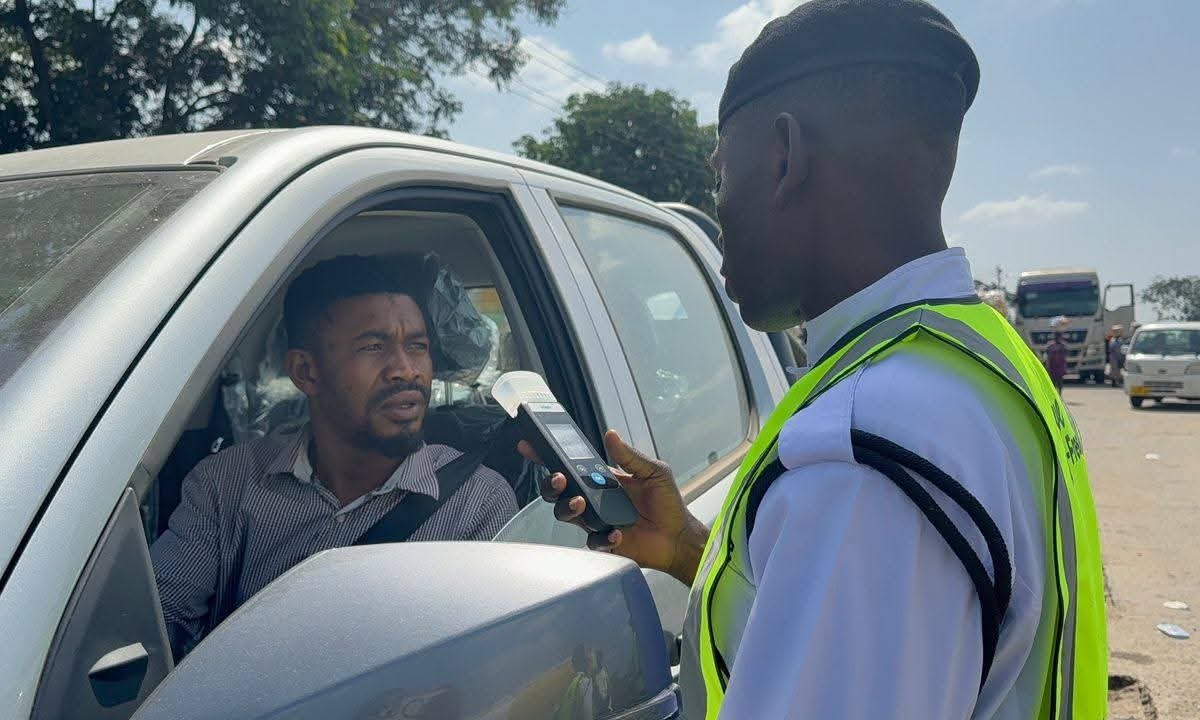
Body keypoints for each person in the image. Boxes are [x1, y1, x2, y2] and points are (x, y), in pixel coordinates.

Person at [527, 1, 1106, 718]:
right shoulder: (976, 356)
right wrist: (684, 546)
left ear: (783, 157)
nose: (718, 207)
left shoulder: (864, 453)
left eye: (719, 175)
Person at [152, 254, 518, 655]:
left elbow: (483, 664)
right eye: (374, 347)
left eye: (417, 346)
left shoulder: (478, 503)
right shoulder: (226, 484)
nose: (406, 370)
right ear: (306, 372)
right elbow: (156, 631)